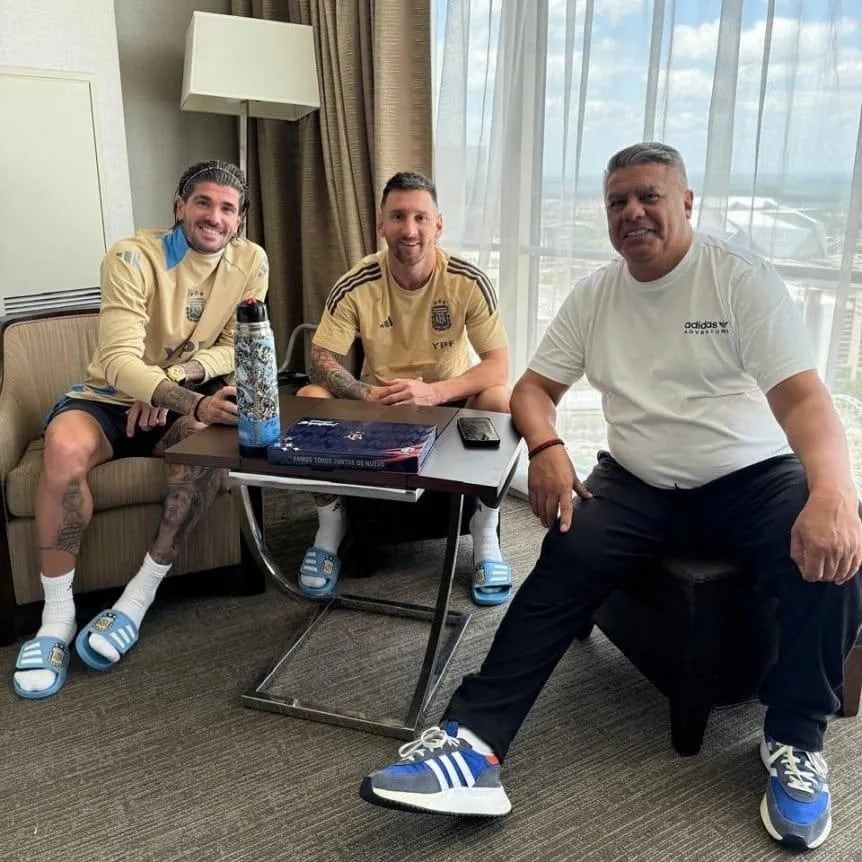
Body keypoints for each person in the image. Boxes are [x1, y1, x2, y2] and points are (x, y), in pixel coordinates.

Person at [359, 143, 862, 851]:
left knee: (836, 555)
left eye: (649, 196)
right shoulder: (596, 294)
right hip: (638, 477)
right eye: (617, 202)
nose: (633, 212)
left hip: (750, 474)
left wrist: (835, 490)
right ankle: (473, 743)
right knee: (563, 554)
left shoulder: (739, 280)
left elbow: (805, 400)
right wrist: (548, 448)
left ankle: (795, 739)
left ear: (686, 204)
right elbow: (533, 390)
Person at [12, 160, 269, 699]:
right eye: (202, 202)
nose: (213, 217)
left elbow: (231, 342)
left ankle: (136, 598)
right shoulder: (131, 256)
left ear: (240, 219)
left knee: (207, 457)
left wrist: (173, 385)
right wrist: (182, 398)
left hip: (173, 400)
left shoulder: (251, 262)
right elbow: (117, 361)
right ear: (179, 207)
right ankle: (56, 620)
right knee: (62, 449)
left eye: (227, 208)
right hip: (106, 399)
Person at [295, 170, 512, 603]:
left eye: (420, 217)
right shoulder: (357, 282)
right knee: (308, 400)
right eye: (397, 217)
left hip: (449, 404)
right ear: (381, 224)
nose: (409, 230)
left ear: (438, 225)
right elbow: (320, 361)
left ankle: (486, 533)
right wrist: (364, 393)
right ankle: (330, 525)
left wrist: (434, 392)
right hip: (382, 406)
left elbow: (498, 365)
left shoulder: (467, 280)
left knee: (501, 401)